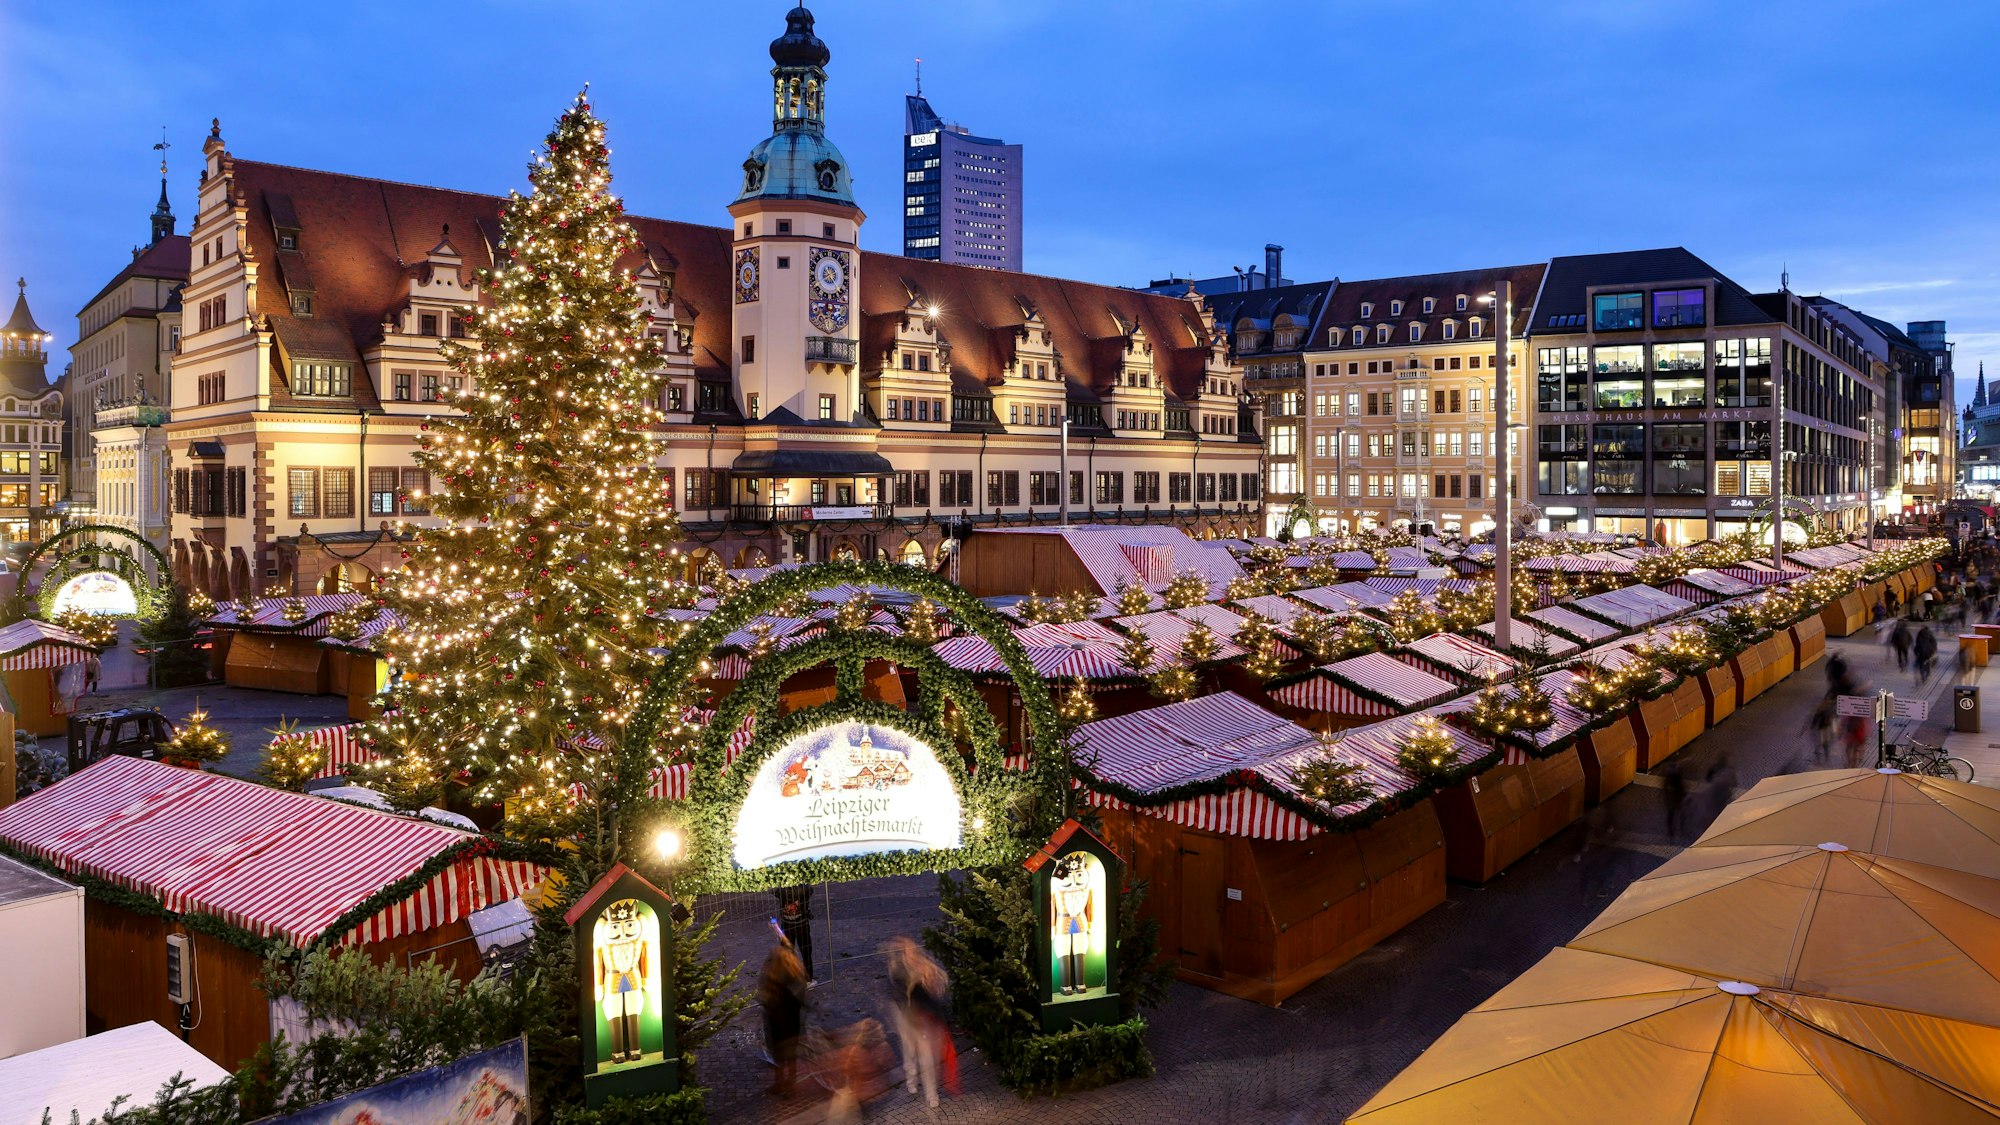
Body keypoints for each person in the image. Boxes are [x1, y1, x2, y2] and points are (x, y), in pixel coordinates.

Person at [885, 936, 953, 1108]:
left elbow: (941, 982)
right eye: (906, 950)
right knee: (909, 1049)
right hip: (906, 1015)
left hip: (924, 1018)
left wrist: (931, 980)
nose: (910, 953)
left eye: (912, 949)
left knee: (927, 1057)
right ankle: (911, 1077)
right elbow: (897, 991)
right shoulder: (898, 969)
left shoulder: (925, 966)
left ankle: (932, 1094)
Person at [759, 928, 808, 1097]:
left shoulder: (783, 977)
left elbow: (768, 995)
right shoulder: (790, 974)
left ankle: (787, 1084)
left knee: (784, 1053)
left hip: (783, 1019)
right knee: (785, 1053)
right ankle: (784, 1083)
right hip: (782, 1019)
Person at [773, 884, 816, 985]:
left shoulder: (781, 889)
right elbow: (811, 890)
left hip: (787, 924)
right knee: (806, 952)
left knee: (787, 952)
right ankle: (808, 980)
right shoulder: (805, 888)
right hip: (802, 924)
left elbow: (774, 892)